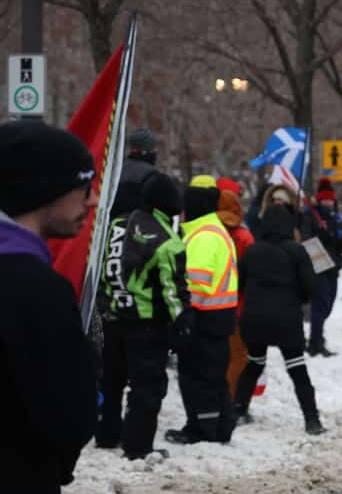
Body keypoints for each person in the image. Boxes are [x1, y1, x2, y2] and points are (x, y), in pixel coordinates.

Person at [0, 121, 100, 491]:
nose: (92, 201)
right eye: (83, 188)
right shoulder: (37, 290)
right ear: (42, 191)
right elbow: (69, 418)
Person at [96, 174, 190, 460]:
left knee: (111, 382)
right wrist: (183, 324)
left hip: (112, 319)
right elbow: (173, 291)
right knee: (147, 388)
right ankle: (137, 448)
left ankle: (106, 434)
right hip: (147, 326)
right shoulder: (168, 242)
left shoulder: (115, 227)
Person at [232, 204, 327, 435]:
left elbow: (239, 284)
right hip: (286, 320)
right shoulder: (296, 251)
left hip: (254, 319)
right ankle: (311, 420)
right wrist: (299, 298)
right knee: (296, 369)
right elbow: (311, 286)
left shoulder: (252, 251)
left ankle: (238, 410)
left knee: (254, 363)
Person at [165, 175, 239, 445]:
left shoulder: (204, 236)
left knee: (200, 377)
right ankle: (219, 427)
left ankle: (202, 431)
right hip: (218, 317)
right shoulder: (211, 231)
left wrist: (178, 309)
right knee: (213, 377)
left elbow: (196, 283)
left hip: (204, 318)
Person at [216, 177, 255, 396]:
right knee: (238, 355)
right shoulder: (244, 236)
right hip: (238, 306)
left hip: (210, 307)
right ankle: (231, 400)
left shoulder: (207, 233)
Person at [303, 178, 342, 357]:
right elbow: (307, 238)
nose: (329, 203)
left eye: (331, 200)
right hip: (319, 265)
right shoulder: (311, 214)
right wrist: (324, 236)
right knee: (320, 305)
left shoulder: (337, 216)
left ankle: (316, 338)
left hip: (334, 266)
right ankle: (315, 342)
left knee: (328, 304)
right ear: (320, 199)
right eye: (326, 200)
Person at [110, 128, 161, 217]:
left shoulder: (117, 169)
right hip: (139, 227)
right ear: (146, 150)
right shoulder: (152, 175)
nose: (156, 151)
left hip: (113, 225)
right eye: (153, 148)